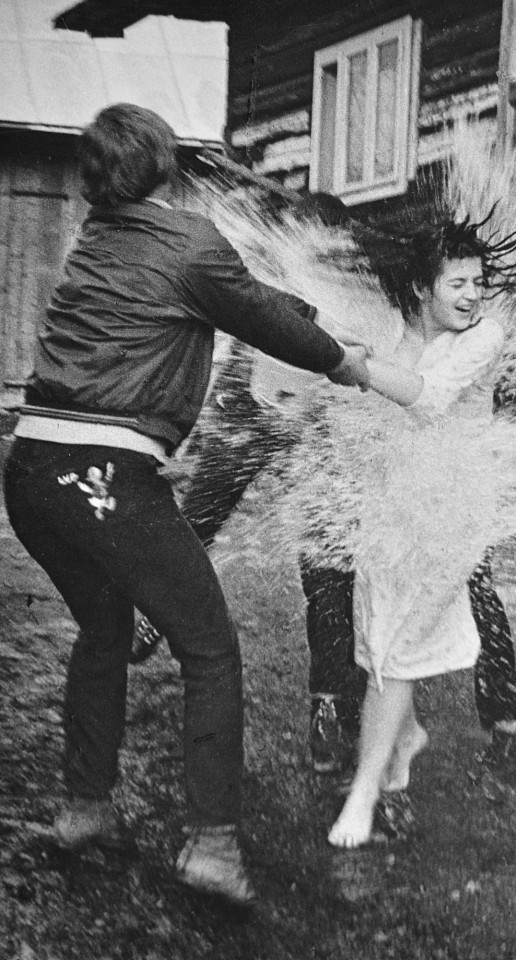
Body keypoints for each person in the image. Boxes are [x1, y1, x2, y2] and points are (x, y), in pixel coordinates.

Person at [1, 103, 371, 906]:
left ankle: (85, 809)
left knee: (104, 631)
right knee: (209, 646)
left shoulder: (95, 241)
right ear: (166, 167)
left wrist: (312, 317)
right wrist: (348, 360)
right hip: (102, 476)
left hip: (30, 472)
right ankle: (210, 844)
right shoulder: (189, 242)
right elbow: (262, 318)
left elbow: (250, 298)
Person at [130, 199, 516, 785]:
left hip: (382, 452)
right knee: (248, 532)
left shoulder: (379, 302)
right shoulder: (277, 291)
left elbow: (403, 385)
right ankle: (324, 709)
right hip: (282, 419)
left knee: (451, 577)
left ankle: (498, 717)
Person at [327, 215, 516, 848]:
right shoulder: (393, 338)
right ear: (422, 287)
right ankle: (405, 738)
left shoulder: (484, 337)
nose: (473, 295)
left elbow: (429, 398)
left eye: (479, 282)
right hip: (390, 514)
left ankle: (367, 792)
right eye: (458, 284)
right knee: (380, 643)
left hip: (450, 521)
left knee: (393, 654)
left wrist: (349, 365)